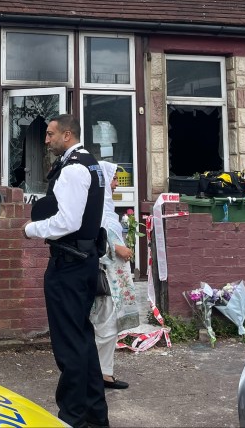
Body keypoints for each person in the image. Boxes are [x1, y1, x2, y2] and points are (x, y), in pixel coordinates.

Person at [23, 114, 109, 428]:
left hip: (69, 265)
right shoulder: (92, 164)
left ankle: (72, 417)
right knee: (82, 340)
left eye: (50, 134)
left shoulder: (74, 169)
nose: (46, 140)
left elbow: (68, 222)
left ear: (67, 135)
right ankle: (95, 416)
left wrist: (31, 229)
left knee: (69, 346)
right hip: (81, 262)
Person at [91, 161, 139, 391]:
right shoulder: (97, 209)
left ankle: (104, 373)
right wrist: (118, 248)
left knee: (108, 324)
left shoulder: (105, 208)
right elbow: (98, 240)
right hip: (107, 277)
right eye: (113, 180)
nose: (116, 186)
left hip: (114, 276)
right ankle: (98, 374)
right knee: (105, 325)